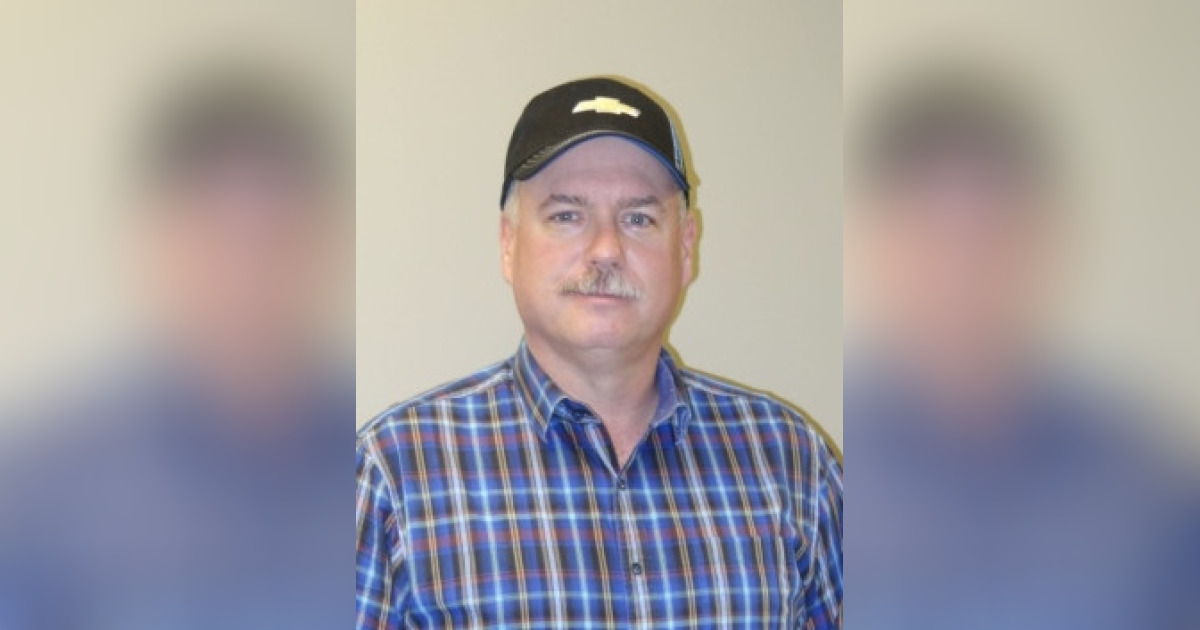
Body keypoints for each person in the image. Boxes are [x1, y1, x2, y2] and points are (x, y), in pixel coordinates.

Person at [356, 77, 843, 629]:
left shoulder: (793, 463)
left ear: (686, 248)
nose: (606, 249)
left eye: (638, 218)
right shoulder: (393, 474)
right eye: (567, 215)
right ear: (508, 244)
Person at [845, 65, 1200, 630]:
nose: (961, 277)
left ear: (1040, 246)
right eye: (933, 239)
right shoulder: (835, 475)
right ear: (885, 249)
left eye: (989, 237)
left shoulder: (1144, 488)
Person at [0, 62, 350, 630]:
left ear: (322, 247)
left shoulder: (374, 465)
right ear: (158, 248)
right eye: (215, 240)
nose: (244, 278)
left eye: (273, 238)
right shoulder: (43, 491)